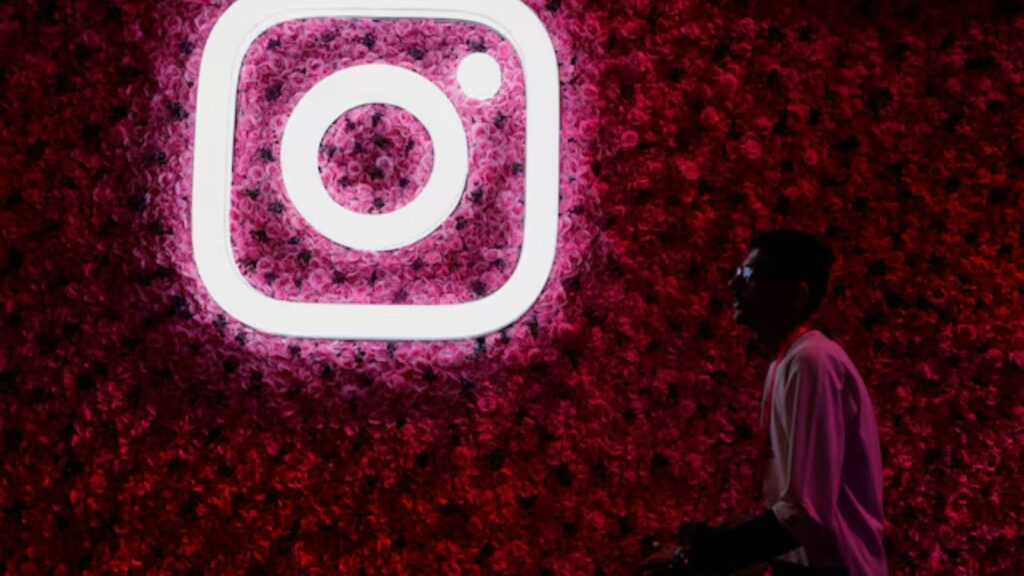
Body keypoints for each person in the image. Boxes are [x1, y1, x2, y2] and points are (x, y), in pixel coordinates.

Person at [636, 229, 887, 575]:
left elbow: (805, 513)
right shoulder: (786, 363)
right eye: (739, 274)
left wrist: (694, 558)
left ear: (797, 293)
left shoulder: (812, 360)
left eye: (750, 275)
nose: (733, 285)